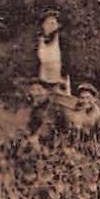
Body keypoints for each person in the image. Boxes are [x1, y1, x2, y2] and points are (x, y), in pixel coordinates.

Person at [27, 8, 75, 138]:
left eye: (54, 23)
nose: (51, 26)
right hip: (42, 81)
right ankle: (35, 137)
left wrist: (64, 80)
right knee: (39, 111)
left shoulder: (62, 41)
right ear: (43, 25)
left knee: (63, 110)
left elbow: (68, 62)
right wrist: (35, 82)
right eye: (48, 23)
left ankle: (64, 137)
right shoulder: (38, 41)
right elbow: (33, 62)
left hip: (59, 81)